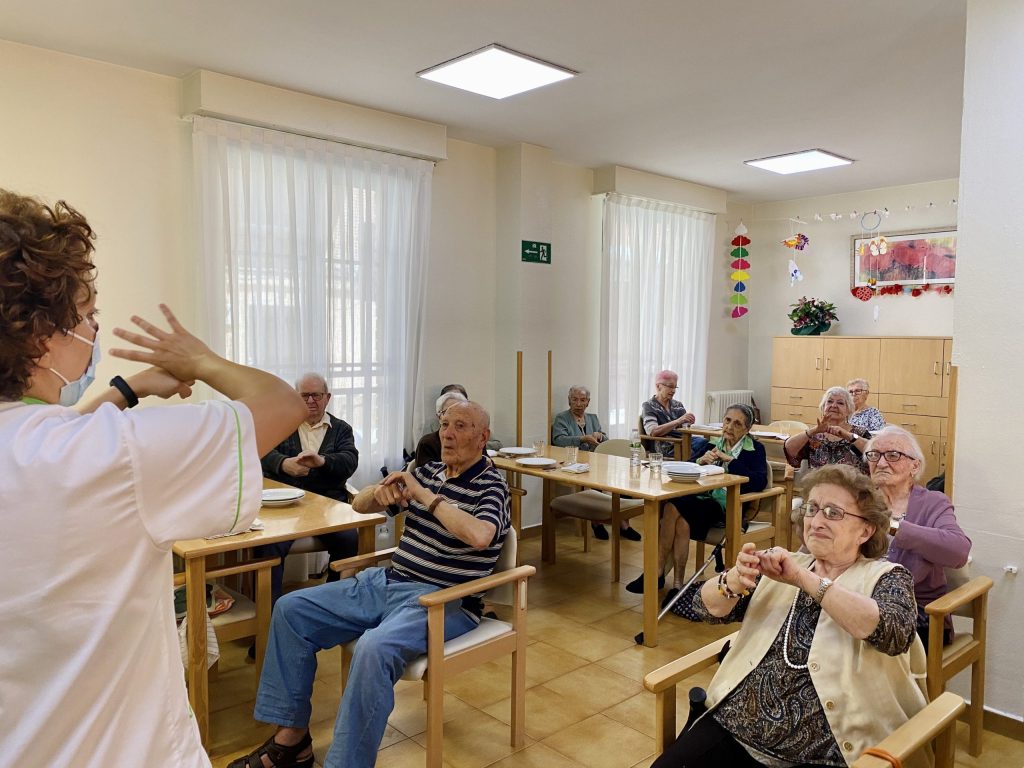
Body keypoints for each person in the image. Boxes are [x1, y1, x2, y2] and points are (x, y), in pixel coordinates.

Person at [0, 189, 306, 767]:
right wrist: (200, 361)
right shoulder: (117, 459)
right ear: (41, 334)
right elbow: (281, 404)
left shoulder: (56, 447)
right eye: (87, 317)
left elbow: (56, 446)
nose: (94, 329)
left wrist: (128, 388)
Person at [232, 400, 510, 768]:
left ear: (483, 437)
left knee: (373, 648)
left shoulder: (492, 485)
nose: (447, 433)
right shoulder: (426, 472)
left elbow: (479, 536)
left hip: (445, 601)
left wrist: (424, 496)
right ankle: (291, 742)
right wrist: (376, 493)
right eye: (444, 424)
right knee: (290, 610)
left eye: (460, 426)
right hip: (387, 582)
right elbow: (360, 506)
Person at [654, 464, 925, 768]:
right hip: (736, 725)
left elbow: (892, 633)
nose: (817, 520)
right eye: (812, 509)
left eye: (833, 513)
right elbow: (703, 608)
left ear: (866, 529)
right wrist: (730, 583)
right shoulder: (784, 563)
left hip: (828, 749)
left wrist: (803, 579)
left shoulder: (887, 577)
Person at [627, 404, 767, 596]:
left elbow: (759, 481)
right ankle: (677, 585)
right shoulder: (712, 444)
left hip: (727, 505)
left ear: (747, 429)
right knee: (680, 520)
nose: (730, 427)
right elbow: (688, 466)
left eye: (737, 423)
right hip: (700, 498)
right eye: (727, 420)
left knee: (673, 506)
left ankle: (656, 572)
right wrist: (700, 461)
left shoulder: (755, 449)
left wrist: (730, 461)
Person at [259, 372, 360, 602]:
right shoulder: (281, 424)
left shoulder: (341, 429)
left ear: (327, 397)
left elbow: (349, 460)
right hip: (285, 510)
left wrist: (322, 461)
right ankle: (270, 614)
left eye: (316, 395)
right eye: (304, 396)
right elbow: (261, 451)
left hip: (329, 508)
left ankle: (331, 603)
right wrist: (284, 464)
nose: (311, 401)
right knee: (269, 546)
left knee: (349, 539)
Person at [867, 426, 970, 647]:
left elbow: (958, 551)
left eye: (893, 455)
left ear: (915, 466)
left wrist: (893, 526)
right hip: (857, 601)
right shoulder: (858, 499)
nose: (881, 463)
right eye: (874, 455)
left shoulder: (933, 503)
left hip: (917, 614)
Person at [552, 385, 639, 541]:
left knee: (623, 477)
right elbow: (558, 440)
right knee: (597, 478)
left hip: (596, 460)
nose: (578, 403)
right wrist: (582, 439)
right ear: (569, 401)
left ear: (588, 402)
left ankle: (624, 524)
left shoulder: (593, 418)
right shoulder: (561, 418)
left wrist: (600, 435)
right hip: (573, 463)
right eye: (575, 399)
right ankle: (597, 522)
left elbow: (604, 439)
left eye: (582, 400)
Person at [783, 386, 870, 472]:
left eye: (840, 403)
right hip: (818, 484)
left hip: (851, 484)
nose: (834, 405)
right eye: (829, 401)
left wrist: (847, 435)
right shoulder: (814, 435)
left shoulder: (859, 432)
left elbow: (873, 451)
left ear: (848, 410)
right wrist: (813, 431)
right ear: (823, 407)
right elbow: (789, 448)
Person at [641, 369, 696, 458]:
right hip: (664, 446)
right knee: (701, 449)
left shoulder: (678, 405)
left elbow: (684, 427)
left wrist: (688, 422)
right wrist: (678, 421)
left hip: (684, 441)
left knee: (708, 444)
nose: (673, 390)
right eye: (670, 386)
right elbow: (653, 431)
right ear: (658, 386)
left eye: (675, 387)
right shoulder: (648, 406)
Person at [414, 387, 469, 466]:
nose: (454, 416)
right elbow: (424, 475)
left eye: (459, 411)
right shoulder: (427, 443)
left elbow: (485, 467)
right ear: (439, 417)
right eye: (448, 412)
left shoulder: (473, 439)